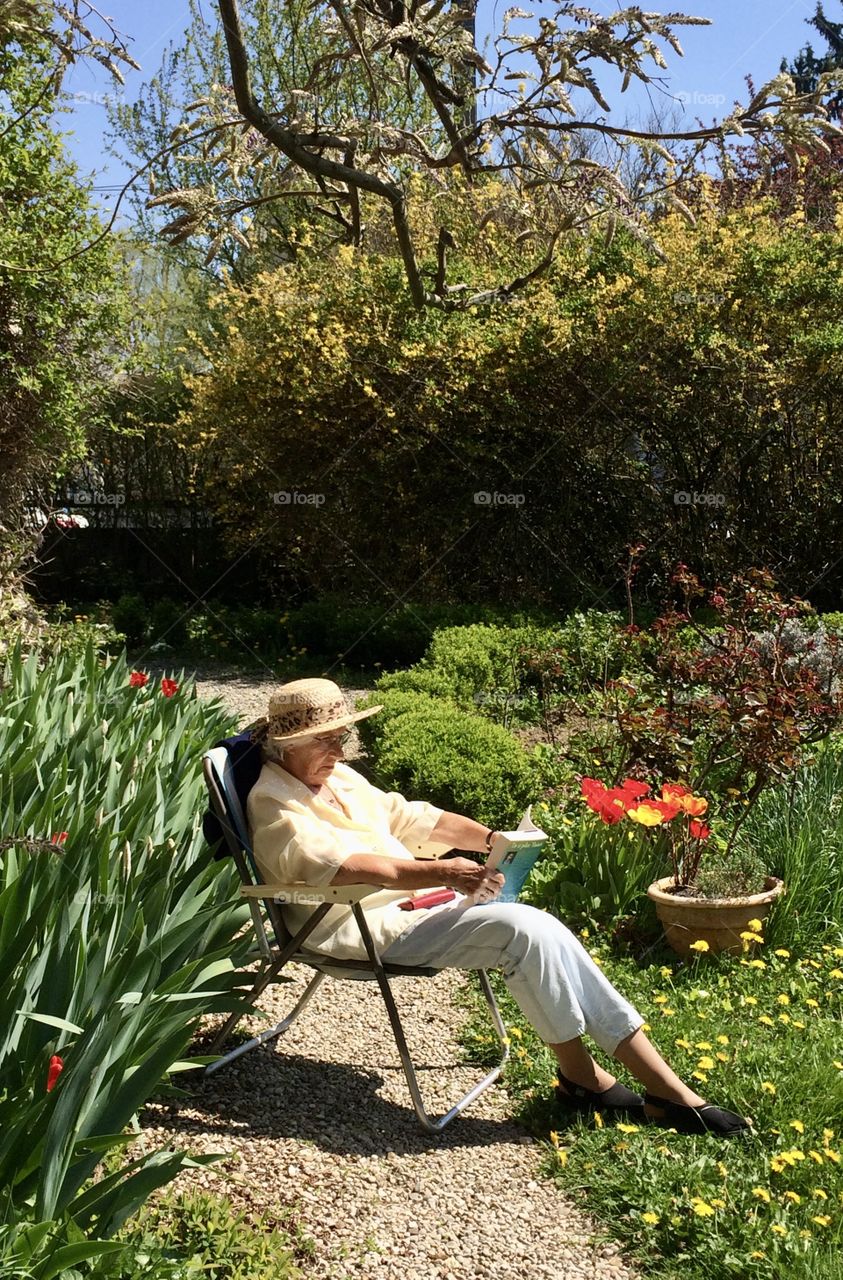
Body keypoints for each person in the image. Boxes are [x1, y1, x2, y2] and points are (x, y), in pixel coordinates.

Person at [246, 678, 749, 1138]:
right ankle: (645, 1088)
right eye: (325, 739)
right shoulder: (273, 801)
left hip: (415, 906)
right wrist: (443, 872)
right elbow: (345, 866)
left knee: (536, 928)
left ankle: (600, 1081)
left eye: (341, 737)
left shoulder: (339, 779)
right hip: (352, 921)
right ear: (287, 744)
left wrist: (494, 839)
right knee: (523, 931)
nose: (338, 749)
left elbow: (418, 819)